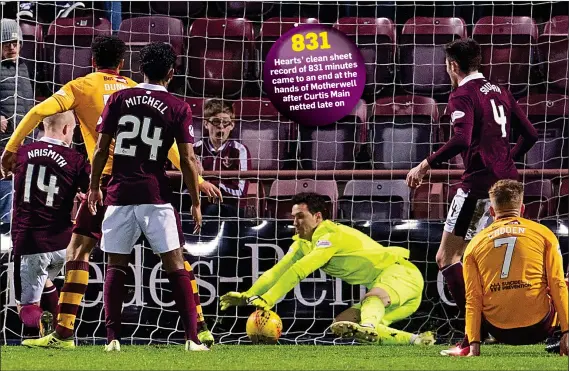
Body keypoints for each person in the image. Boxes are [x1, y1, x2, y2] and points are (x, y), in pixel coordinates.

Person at [13, 36, 219, 348]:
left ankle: (66, 334)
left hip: (109, 181)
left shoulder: (82, 86)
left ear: (92, 61)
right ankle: (199, 328)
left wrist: (12, 147)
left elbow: (39, 112)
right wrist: (196, 181)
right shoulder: (135, 90)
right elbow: (174, 145)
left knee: (81, 252)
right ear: (123, 64)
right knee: (176, 257)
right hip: (150, 182)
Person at [405, 38, 539, 354]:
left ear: (452, 65)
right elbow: (531, 134)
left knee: (447, 257)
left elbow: (461, 140)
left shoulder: (462, 95)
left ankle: (472, 336)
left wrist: (425, 164)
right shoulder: (501, 92)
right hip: (509, 187)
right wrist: (506, 160)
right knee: (520, 259)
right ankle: (552, 327)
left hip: (478, 187)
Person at [87, 42, 208, 352]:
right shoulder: (178, 106)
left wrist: (94, 186)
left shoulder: (118, 98)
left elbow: (101, 149)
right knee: (175, 263)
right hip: (155, 195)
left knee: (116, 265)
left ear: (138, 68)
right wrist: (195, 202)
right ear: (171, 72)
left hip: (120, 192)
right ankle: (192, 339)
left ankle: (112, 338)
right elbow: (188, 160)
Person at [220, 192, 435, 346]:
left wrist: (269, 298)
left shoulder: (330, 236)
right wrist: (248, 296)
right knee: (342, 325)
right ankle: (418, 340)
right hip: (397, 295)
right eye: (293, 217)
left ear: (318, 217)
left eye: (300, 216)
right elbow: (276, 272)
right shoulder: (302, 243)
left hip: (401, 274)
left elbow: (300, 270)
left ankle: (368, 325)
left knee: (372, 301)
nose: (294, 222)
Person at [458, 179, 568, 356]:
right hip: (539, 326)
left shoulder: (474, 244)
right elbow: (557, 283)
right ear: (522, 209)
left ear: (492, 211)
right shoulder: (543, 233)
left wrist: (474, 343)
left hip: (498, 330)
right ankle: (561, 339)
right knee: (563, 283)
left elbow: (472, 297)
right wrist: (567, 331)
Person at [12, 111, 89, 338]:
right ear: (66, 129)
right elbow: (90, 189)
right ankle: (59, 330)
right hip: (63, 242)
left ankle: (44, 321)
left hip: (30, 241)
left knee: (25, 309)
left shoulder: (22, 152)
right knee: (44, 281)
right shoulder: (75, 159)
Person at [0, 18, 34, 231]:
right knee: (5, 186)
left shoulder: (25, 67)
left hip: (25, 141)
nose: (12, 47)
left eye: (15, 42)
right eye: (6, 43)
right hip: (3, 142)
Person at [194, 98, 251, 217]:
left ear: (232, 125)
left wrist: (207, 184)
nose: (221, 127)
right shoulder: (194, 150)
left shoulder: (239, 150)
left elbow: (240, 192)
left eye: (225, 122)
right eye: (215, 121)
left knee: (212, 210)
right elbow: (183, 189)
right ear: (206, 124)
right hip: (199, 205)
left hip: (230, 207)